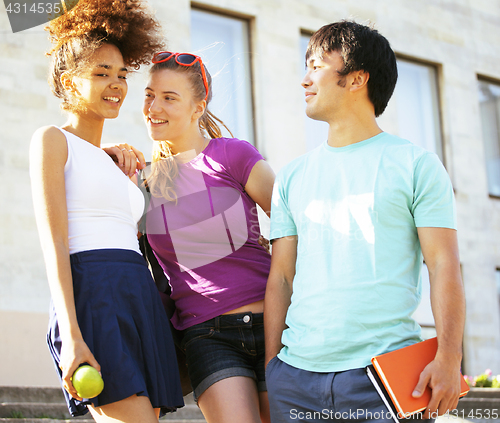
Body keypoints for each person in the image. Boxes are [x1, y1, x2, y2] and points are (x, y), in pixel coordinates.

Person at [264, 20, 466, 423]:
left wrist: (449, 356)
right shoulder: (291, 176)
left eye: (317, 65)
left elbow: (443, 264)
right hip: (295, 380)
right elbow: (282, 277)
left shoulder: (416, 165)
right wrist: (273, 369)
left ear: (356, 79)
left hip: (385, 380)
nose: (305, 79)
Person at [29, 1, 184, 421]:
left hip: (139, 293)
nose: (115, 84)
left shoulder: (117, 161)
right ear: (68, 80)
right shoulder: (52, 140)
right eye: (100, 73)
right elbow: (54, 241)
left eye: (121, 74)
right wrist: (72, 335)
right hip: (94, 293)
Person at [137, 51, 275, 423]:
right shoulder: (143, 182)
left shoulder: (233, 155)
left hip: (275, 322)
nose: (154, 106)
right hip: (206, 335)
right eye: (149, 94)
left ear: (199, 107)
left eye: (169, 97)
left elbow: (293, 225)